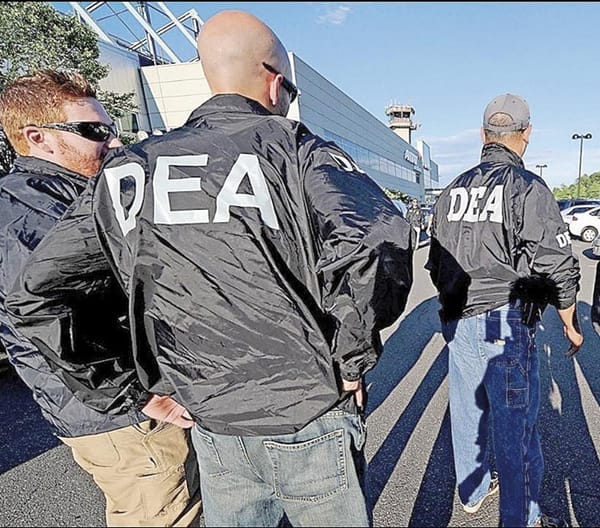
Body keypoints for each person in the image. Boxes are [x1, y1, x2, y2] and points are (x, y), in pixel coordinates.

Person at [8, 10, 414, 527]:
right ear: (274, 82)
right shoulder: (295, 149)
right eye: (290, 90)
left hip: (209, 415)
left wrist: (128, 390)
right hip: (306, 406)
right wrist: (350, 356)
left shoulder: (129, 171)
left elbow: (37, 293)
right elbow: (379, 238)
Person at [0, 70, 201, 527]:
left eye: (111, 128)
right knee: (163, 515)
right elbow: (43, 314)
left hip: (122, 406)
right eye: (94, 131)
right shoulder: (26, 215)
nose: (113, 141)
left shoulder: (73, 196)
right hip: (122, 415)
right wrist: (135, 395)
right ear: (37, 137)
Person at [426, 93, 583, 528]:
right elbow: (557, 263)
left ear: (483, 135)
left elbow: (436, 263)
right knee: (516, 426)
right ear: (526, 134)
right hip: (504, 318)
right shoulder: (527, 187)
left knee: (467, 411)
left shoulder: (451, 191)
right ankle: (523, 518)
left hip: (458, 318)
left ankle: (473, 491)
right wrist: (569, 321)